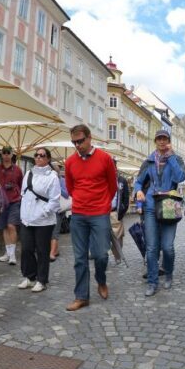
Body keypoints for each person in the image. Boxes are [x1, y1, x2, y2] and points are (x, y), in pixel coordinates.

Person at [64, 124, 118, 311]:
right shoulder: (70, 162)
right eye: (74, 142)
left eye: (80, 141)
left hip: (99, 213)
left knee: (101, 255)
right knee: (80, 258)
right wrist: (80, 201)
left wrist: (103, 205)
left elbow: (112, 186)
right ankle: (81, 297)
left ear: (89, 138)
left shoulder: (105, 158)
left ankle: (101, 280)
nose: (77, 145)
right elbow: (70, 187)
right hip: (78, 213)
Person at [134, 129, 185, 296]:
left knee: (168, 247)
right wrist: (138, 191)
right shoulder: (149, 161)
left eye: (164, 139)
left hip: (170, 204)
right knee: (151, 247)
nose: (162, 142)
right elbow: (139, 181)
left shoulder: (176, 159)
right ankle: (152, 281)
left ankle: (169, 273)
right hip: (151, 205)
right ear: (155, 141)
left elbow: (180, 178)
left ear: (169, 141)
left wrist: (170, 156)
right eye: (159, 139)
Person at [18, 147, 61, 293]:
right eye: (36, 155)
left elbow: (54, 201)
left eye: (42, 155)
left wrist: (43, 212)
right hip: (27, 219)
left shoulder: (53, 177)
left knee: (42, 251)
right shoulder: (28, 173)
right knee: (26, 249)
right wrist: (23, 213)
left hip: (44, 221)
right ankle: (30, 277)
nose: (38, 157)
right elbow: (23, 194)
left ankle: (42, 280)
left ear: (48, 158)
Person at [0, 146, 23, 266]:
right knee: (4, 227)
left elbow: (21, 185)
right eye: (4, 153)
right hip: (1, 202)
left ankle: (12, 255)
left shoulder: (17, 169)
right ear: (2, 155)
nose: (6, 155)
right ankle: (8, 252)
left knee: (11, 225)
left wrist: (19, 194)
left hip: (14, 201)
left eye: (8, 153)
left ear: (12, 155)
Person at [110, 159, 131, 265]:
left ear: (115, 167)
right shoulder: (102, 179)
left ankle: (117, 255)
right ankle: (102, 255)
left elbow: (126, 198)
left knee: (118, 237)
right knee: (102, 236)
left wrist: (121, 211)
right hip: (103, 212)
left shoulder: (121, 180)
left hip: (116, 212)